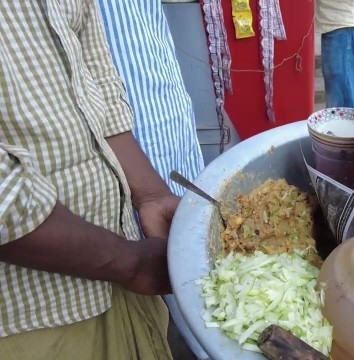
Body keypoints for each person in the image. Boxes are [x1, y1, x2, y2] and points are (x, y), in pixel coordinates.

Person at [0, 1, 177, 358]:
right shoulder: (127, 262)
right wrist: (126, 261)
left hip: (125, 279)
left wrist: (150, 195)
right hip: (32, 320)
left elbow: (95, 72)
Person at [96, 1, 208, 359]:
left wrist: (150, 194)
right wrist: (124, 260)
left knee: (198, 292)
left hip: (167, 131)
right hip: (117, 162)